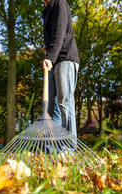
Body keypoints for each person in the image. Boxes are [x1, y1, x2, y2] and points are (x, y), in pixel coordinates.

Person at [42, 0, 80, 142]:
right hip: (54, 61)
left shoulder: (60, 3)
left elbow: (59, 30)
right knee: (53, 108)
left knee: (64, 102)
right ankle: (54, 146)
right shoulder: (47, 10)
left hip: (65, 58)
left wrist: (50, 57)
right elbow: (53, 33)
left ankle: (69, 146)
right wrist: (47, 44)